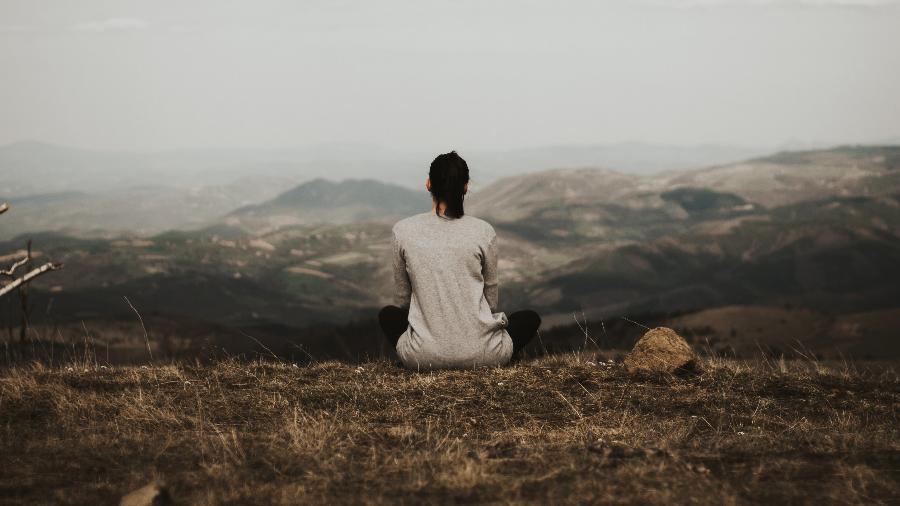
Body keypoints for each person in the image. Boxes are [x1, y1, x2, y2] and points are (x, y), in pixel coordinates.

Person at [378, 150, 541, 370]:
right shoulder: (484, 231)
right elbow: (491, 302)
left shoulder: (403, 230)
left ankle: (426, 353)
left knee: (388, 315)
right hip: (485, 355)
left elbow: (403, 300)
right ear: (466, 187)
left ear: (428, 184)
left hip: (422, 357)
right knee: (529, 318)